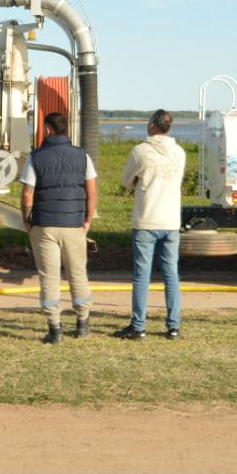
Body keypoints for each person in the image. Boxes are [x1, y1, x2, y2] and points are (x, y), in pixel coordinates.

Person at [20, 111, 97, 344]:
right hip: (74, 224)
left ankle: (55, 329)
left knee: (49, 277)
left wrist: (27, 221)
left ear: (47, 130)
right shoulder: (83, 156)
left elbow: (27, 194)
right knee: (77, 274)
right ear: (67, 130)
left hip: (44, 225)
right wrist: (87, 220)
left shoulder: (36, 157)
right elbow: (92, 192)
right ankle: (82, 323)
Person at [113, 108, 186, 341]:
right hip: (171, 220)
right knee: (171, 274)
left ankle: (139, 326)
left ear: (153, 125)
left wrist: (139, 181)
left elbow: (127, 181)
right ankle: (173, 326)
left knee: (142, 275)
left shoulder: (140, 151)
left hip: (146, 219)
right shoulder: (180, 152)